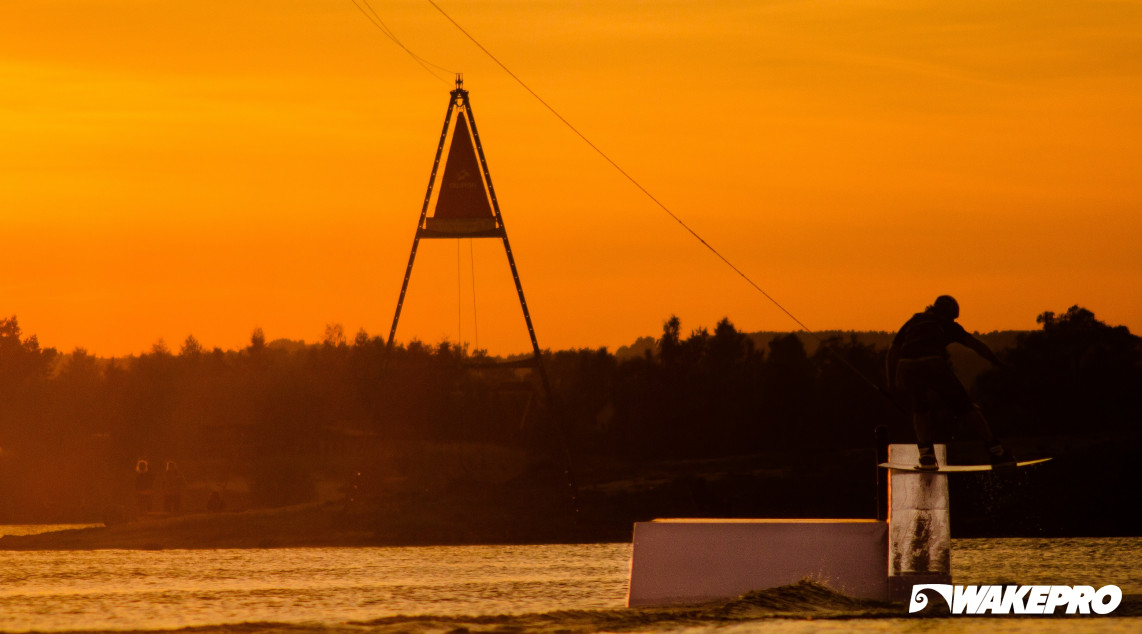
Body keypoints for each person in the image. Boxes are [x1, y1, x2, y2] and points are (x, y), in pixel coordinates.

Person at [886, 295, 1015, 470]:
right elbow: (975, 345)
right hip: (933, 363)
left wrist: (891, 382)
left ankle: (926, 455)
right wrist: (997, 362)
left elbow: (893, 351)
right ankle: (996, 451)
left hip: (906, 366)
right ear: (950, 314)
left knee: (920, 409)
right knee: (966, 408)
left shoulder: (915, 321)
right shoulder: (946, 324)